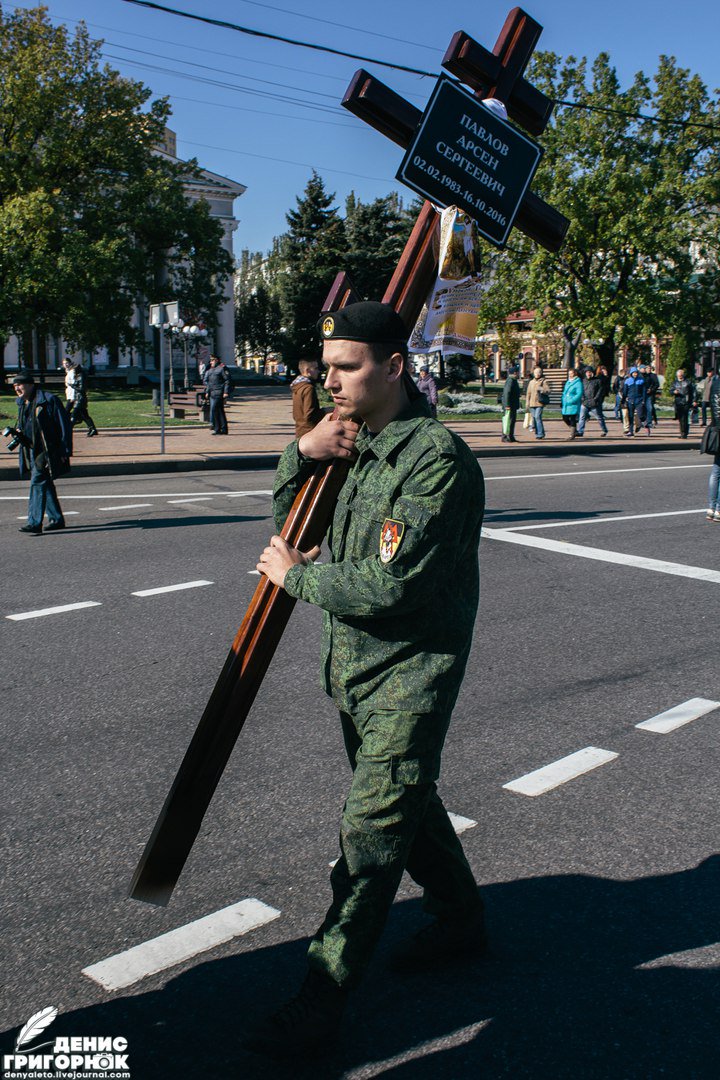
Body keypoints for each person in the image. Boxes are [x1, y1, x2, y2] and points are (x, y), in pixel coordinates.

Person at [246, 301, 486, 1059]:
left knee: (372, 834)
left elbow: (392, 586)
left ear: (394, 366)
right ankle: (461, 920)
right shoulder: (358, 443)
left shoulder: (434, 460)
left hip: (410, 678)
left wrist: (297, 583)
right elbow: (302, 526)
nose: (330, 382)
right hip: (355, 674)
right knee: (409, 802)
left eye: (347, 368)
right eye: (328, 368)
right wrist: (304, 453)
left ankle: (321, 999)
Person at [11, 371, 72, 534]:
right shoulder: (22, 402)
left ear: (30, 385)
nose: (17, 388)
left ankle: (34, 522)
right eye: (15, 385)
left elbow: (64, 425)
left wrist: (65, 450)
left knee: (37, 482)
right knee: (45, 483)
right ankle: (56, 519)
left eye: (20, 384)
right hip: (31, 449)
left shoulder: (49, 400)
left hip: (47, 449)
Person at [62, 358, 98, 437]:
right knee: (85, 415)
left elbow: (81, 389)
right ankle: (92, 429)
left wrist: (72, 386)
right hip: (78, 398)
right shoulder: (77, 376)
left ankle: (67, 431)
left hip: (79, 399)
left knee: (73, 416)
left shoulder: (79, 376)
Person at [291, 358, 325, 439]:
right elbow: (309, 414)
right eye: (316, 368)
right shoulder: (308, 388)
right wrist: (325, 411)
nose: (318, 371)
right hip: (309, 432)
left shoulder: (298, 386)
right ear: (308, 370)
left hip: (300, 430)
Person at [576, 366, 609, 437]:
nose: (589, 374)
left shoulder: (597, 381)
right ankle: (580, 431)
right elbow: (581, 391)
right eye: (587, 372)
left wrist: (595, 399)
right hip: (585, 402)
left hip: (594, 403)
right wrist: (582, 398)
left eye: (590, 372)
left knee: (599, 417)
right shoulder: (583, 381)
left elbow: (600, 391)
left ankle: (604, 430)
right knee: (582, 418)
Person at [202, 355, 231, 435]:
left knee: (214, 409)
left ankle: (217, 428)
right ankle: (223, 429)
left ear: (217, 360)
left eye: (212, 360)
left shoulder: (221, 369)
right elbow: (208, 383)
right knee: (220, 410)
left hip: (219, 392)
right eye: (210, 360)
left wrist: (226, 392)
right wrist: (207, 392)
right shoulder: (210, 370)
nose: (211, 362)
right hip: (212, 393)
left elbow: (227, 381)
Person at [706, 371, 720, 521]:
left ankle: (711, 507)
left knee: (716, 470)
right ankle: (719, 510)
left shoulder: (715, 383)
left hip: (716, 429)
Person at [525, 365, 551, 440]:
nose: (537, 374)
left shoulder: (544, 381)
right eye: (536, 372)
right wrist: (527, 403)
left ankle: (540, 433)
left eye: (539, 372)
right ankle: (538, 432)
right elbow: (528, 393)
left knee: (537, 417)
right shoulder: (531, 382)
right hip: (532, 403)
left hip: (539, 403)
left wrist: (542, 389)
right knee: (534, 418)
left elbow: (548, 391)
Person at [621, 366, 648, 437]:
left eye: (636, 373)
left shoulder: (641, 381)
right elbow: (625, 392)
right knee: (630, 416)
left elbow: (644, 392)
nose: (635, 374)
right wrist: (623, 400)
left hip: (639, 400)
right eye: (634, 373)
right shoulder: (628, 381)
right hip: (630, 401)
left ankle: (645, 422)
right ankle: (631, 431)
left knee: (640, 414)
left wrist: (644, 400)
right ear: (631, 373)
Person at [670, 368, 695, 439]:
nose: (680, 377)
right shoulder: (675, 383)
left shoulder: (688, 382)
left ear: (683, 375)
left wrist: (694, 400)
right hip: (678, 402)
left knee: (684, 418)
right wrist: (674, 392)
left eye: (681, 375)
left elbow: (693, 391)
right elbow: (671, 390)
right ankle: (683, 432)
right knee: (681, 418)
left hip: (686, 402)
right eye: (679, 375)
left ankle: (684, 433)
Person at [561, 367, 584, 439]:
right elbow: (564, 392)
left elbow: (579, 393)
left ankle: (572, 434)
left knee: (573, 418)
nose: (570, 375)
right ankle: (574, 431)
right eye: (569, 374)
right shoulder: (568, 382)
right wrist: (562, 400)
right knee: (565, 418)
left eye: (571, 373)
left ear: (575, 373)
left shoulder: (578, 382)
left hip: (573, 403)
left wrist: (572, 400)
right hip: (566, 403)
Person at [501, 364, 521, 442]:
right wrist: (507, 405)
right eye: (518, 372)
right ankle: (505, 436)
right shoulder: (510, 380)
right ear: (515, 373)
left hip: (513, 404)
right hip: (510, 405)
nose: (519, 373)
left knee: (512, 421)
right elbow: (507, 393)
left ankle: (511, 436)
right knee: (508, 421)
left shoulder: (513, 380)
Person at [640, 363, 660, 427]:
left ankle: (649, 422)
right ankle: (642, 422)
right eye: (646, 368)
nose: (647, 369)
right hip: (641, 394)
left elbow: (656, 384)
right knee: (642, 409)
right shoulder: (640, 376)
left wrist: (651, 389)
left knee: (650, 408)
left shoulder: (651, 376)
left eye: (648, 368)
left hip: (649, 394)